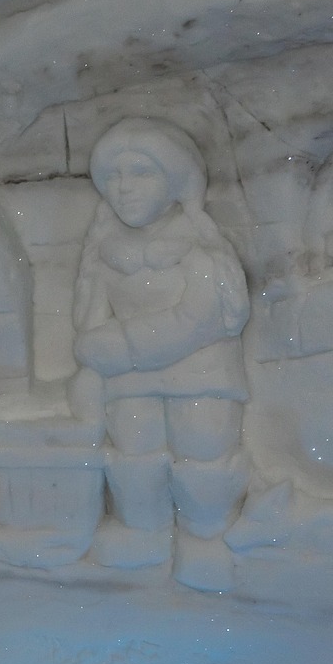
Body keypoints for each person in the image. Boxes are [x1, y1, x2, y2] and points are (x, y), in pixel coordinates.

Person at [73, 117, 250, 569]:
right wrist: (94, 344)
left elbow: (198, 318)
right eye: (113, 176)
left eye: (141, 173)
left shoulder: (198, 247)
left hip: (200, 376)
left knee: (202, 452)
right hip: (130, 382)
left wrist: (123, 346)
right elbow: (89, 323)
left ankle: (206, 540)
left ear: (175, 182)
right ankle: (143, 533)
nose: (124, 187)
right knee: (135, 453)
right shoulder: (108, 251)